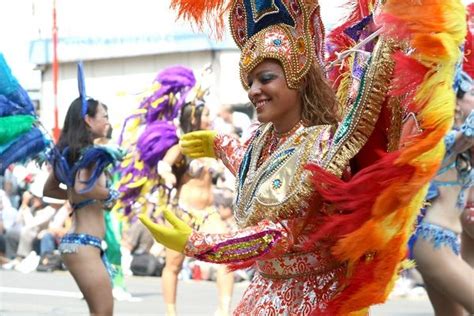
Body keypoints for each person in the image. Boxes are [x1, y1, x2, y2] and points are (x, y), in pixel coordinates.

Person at [139, 0, 466, 314]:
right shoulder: (262, 139)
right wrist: (221, 145)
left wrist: (199, 244)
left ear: (298, 76)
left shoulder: (322, 144)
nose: (254, 90)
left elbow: (279, 233)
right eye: (250, 81)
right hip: (265, 291)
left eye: (266, 78)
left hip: (316, 298)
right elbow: (260, 180)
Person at [43, 92, 121, 315]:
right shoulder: (92, 153)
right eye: (104, 116)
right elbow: (81, 186)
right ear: (88, 120)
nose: (107, 121)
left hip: (78, 244)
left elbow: (51, 189)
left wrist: (80, 197)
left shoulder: (71, 153)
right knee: (103, 312)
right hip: (84, 244)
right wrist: (109, 194)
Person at [412, 71, 474, 315]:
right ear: (456, 101)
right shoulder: (445, 141)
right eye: (472, 94)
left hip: (442, 243)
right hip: (432, 242)